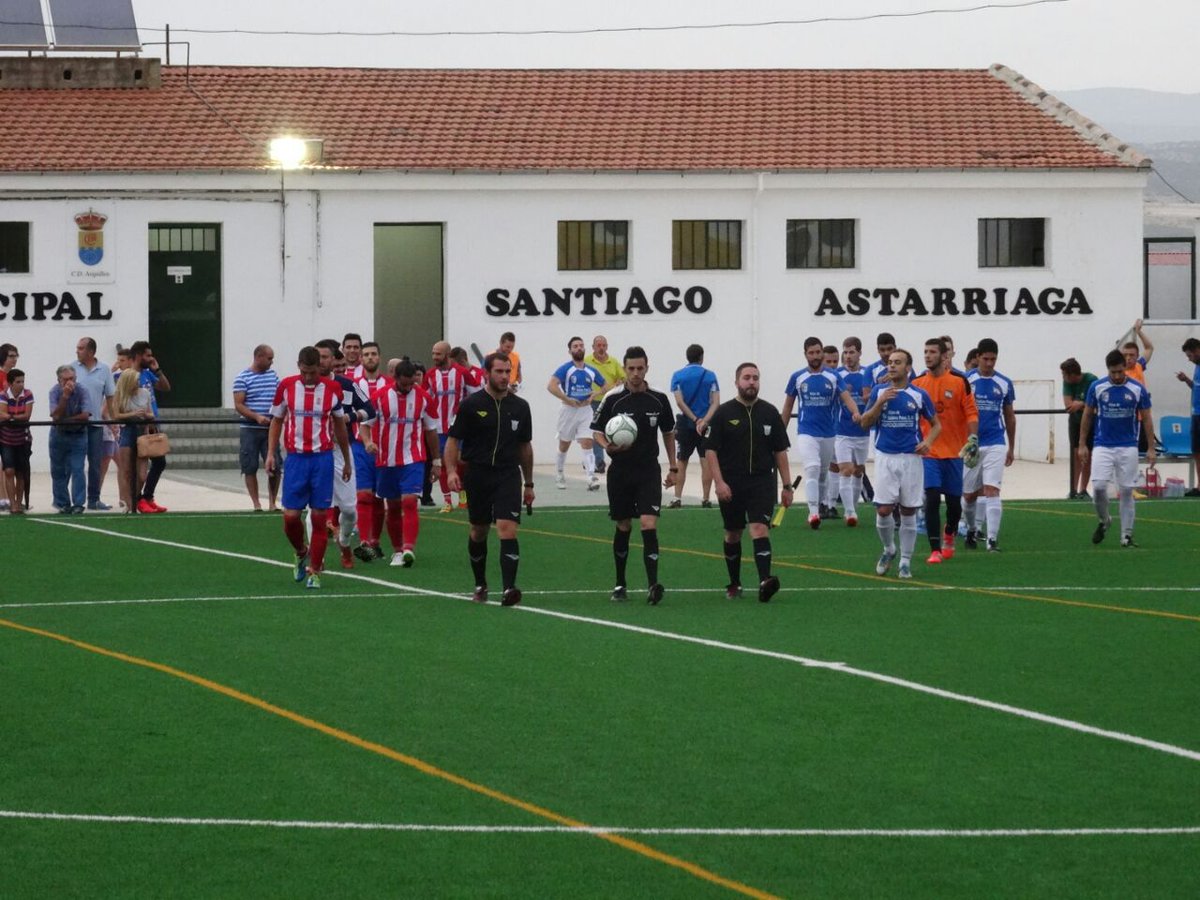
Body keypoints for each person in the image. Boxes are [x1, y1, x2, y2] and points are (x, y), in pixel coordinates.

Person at [444, 352, 534, 606]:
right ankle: (480, 583)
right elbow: (453, 440)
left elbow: (525, 447)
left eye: (508, 372)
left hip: (507, 474)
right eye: (500, 372)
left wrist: (528, 483)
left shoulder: (520, 407)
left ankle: (509, 589)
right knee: (479, 530)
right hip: (478, 474)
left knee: (507, 528)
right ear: (487, 373)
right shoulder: (472, 404)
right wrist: (451, 471)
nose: (505, 377)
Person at [591, 346, 677, 604]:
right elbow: (596, 430)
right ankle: (620, 584)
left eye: (640, 368)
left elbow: (669, 433)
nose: (636, 373)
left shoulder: (659, 399)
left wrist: (674, 467)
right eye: (631, 369)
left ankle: (653, 585)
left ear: (647, 368)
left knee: (649, 524)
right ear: (625, 369)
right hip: (621, 472)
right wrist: (608, 447)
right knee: (624, 525)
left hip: (649, 470)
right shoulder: (613, 398)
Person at [703, 362, 793, 602]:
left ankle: (765, 581)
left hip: (762, 482)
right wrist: (719, 483)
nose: (751, 382)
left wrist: (787, 485)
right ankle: (734, 583)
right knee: (733, 533)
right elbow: (710, 451)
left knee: (759, 528)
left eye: (755, 378)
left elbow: (780, 451)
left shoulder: (770, 412)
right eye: (746, 378)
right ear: (736, 382)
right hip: (731, 483)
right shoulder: (723, 413)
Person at [266, 346, 353, 589]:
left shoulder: (333, 389)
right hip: (295, 459)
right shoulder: (286, 386)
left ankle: (315, 570)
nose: (308, 377)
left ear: (320, 369)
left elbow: (339, 427)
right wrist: (271, 453)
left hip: (322, 459)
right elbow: (277, 420)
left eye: (313, 373)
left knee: (319, 517)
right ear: (298, 366)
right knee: (290, 517)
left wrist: (346, 460)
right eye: (304, 372)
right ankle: (300, 550)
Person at [859, 350, 941, 579]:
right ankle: (889, 549)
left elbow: (936, 424)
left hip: (911, 458)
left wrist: (927, 442)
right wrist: (879, 402)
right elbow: (865, 423)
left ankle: (905, 560)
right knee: (884, 509)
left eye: (897, 363)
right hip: (886, 457)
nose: (892, 366)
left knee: (908, 510)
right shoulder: (878, 391)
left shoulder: (918, 394)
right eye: (890, 363)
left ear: (908, 368)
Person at [780, 336, 860, 528]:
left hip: (829, 433)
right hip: (806, 431)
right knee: (812, 468)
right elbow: (788, 405)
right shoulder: (797, 377)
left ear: (822, 352)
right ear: (805, 354)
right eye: (811, 353)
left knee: (823, 473)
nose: (815, 356)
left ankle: (824, 505)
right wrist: (780, 434)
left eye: (818, 352)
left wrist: (856, 412)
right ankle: (813, 512)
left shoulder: (833, 377)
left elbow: (846, 397)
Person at [366, 359, 440, 566]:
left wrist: (437, 461)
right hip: (386, 460)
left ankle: (408, 548)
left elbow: (431, 430)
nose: (408, 388)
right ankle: (397, 550)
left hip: (413, 458)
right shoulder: (379, 398)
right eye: (404, 384)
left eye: (412, 384)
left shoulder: (424, 398)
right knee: (393, 504)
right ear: (395, 378)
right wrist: (368, 441)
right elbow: (365, 424)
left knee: (409, 501)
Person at [1078, 349, 1155, 547]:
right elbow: (1087, 415)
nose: (1117, 376)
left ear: (1125, 368)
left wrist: (1151, 448)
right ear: (1108, 370)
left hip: (1128, 445)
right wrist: (1082, 444)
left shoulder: (1137, 389)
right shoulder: (1097, 387)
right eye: (1113, 372)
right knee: (1099, 488)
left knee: (1127, 490)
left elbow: (1146, 418)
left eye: (1120, 371)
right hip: (1102, 444)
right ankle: (1105, 520)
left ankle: (1126, 536)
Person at [911, 337, 978, 563]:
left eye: (932, 352)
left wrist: (973, 438)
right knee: (931, 498)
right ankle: (935, 549)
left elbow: (971, 413)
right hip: (929, 452)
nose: (927, 356)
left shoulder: (959, 382)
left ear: (943, 356)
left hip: (954, 453)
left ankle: (949, 532)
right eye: (925, 351)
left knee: (953, 504)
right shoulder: (918, 383)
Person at [316, 339, 370, 569]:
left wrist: (352, 417)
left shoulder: (347, 385)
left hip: (341, 450)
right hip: (316, 451)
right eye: (316, 357)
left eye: (325, 357)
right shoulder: (303, 387)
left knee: (349, 510)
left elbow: (370, 409)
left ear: (334, 360)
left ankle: (345, 541)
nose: (321, 362)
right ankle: (316, 560)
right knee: (315, 510)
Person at [963, 339, 1016, 551]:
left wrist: (1011, 447)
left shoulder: (1004, 383)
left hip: (996, 441)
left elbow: (1009, 416)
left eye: (993, 359)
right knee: (968, 495)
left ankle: (992, 540)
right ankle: (971, 529)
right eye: (985, 359)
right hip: (972, 443)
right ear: (978, 358)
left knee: (992, 489)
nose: (989, 363)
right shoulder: (966, 380)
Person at [423, 340, 480, 511]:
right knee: (441, 462)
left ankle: (462, 495)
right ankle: (447, 502)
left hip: (460, 427)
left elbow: (477, 393)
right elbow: (425, 398)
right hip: (439, 427)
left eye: (438, 354)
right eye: (433, 353)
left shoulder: (462, 373)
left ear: (447, 354)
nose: (434, 357)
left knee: (462, 460)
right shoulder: (430, 375)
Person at [548, 336, 608, 491]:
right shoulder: (566, 369)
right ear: (570, 350)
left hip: (585, 411)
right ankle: (560, 474)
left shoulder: (590, 370)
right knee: (564, 444)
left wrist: (593, 396)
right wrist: (566, 399)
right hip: (568, 411)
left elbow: (605, 385)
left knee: (587, 442)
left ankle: (591, 476)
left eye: (581, 345)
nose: (579, 348)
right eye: (575, 346)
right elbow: (551, 386)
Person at [352, 341, 392, 558]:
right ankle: (364, 541)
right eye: (366, 354)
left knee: (379, 497)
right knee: (364, 495)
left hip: (385, 448)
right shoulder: (353, 386)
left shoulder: (390, 384)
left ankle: (375, 541)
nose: (369, 357)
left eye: (373, 354)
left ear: (379, 358)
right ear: (361, 359)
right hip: (360, 446)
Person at [669, 343, 720, 508]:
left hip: (686, 423)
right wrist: (704, 420)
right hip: (706, 424)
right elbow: (715, 402)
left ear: (687, 357)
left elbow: (679, 402)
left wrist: (694, 419)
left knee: (682, 460)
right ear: (701, 357)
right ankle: (705, 498)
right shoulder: (710, 376)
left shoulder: (678, 375)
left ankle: (677, 498)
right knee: (706, 459)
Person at [233, 344, 281, 512]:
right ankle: (256, 503)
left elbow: (280, 397)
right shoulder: (242, 378)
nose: (271, 362)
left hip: (270, 429)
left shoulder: (273, 376)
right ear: (259, 357)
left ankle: (272, 502)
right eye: (269, 358)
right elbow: (238, 405)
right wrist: (256, 416)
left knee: (275, 464)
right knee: (249, 465)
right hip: (250, 428)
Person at [71, 337, 116, 510]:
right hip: (76, 425)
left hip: (96, 425)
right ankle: (77, 501)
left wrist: (113, 421)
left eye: (81, 348)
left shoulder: (104, 370)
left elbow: (110, 397)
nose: (77, 351)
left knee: (96, 464)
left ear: (91, 351)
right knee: (76, 464)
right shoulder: (72, 368)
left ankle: (94, 499)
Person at [129, 340, 172, 513]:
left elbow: (165, 387)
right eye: (147, 355)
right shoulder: (130, 375)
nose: (150, 358)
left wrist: (157, 370)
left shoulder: (148, 373)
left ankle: (148, 496)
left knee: (159, 462)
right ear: (139, 355)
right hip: (140, 424)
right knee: (140, 466)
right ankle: (137, 499)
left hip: (153, 422)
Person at [834, 336, 872, 526]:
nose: (848, 356)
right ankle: (849, 512)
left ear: (859, 353)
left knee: (858, 471)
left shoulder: (868, 374)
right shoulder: (837, 374)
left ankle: (853, 507)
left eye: (852, 352)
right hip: (842, 431)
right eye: (846, 352)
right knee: (846, 470)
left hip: (863, 432)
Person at [49, 364, 90, 514]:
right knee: (58, 470)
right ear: (59, 380)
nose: (69, 383)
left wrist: (65, 419)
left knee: (78, 468)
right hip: (58, 434)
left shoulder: (82, 390)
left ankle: (78, 503)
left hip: (78, 434)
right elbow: (55, 416)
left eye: (72, 379)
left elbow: (85, 415)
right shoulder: (54, 392)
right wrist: (65, 397)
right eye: (65, 379)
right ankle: (62, 503)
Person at [112, 368, 154, 513]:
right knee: (126, 470)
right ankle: (128, 503)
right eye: (135, 380)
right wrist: (132, 414)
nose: (138, 382)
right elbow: (116, 415)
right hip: (127, 430)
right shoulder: (120, 395)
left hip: (142, 431)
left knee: (142, 474)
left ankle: (134, 497)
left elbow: (151, 413)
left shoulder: (145, 393)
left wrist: (147, 416)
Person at [585, 335, 625, 475]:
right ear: (593, 347)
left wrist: (619, 383)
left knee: (609, 431)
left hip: (609, 401)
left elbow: (624, 377)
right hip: (592, 402)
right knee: (595, 432)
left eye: (603, 345)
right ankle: (598, 461)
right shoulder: (586, 361)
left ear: (607, 347)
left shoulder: (613, 361)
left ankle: (595, 459)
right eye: (598, 345)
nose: (601, 348)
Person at [1061, 357, 1098, 499]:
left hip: (1091, 421)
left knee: (1087, 455)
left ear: (1072, 374)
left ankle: (1083, 489)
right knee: (1076, 455)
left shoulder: (1092, 380)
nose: (1063, 378)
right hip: (1075, 422)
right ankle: (1073, 489)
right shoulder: (1067, 383)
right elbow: (1069, 405)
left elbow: (1095, 403)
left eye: (1064, 375)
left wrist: (1081, 404)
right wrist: (1083, 404)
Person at [0, 367, 33, 515]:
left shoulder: (28, 394)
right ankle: (12, 503)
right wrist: (10, 417)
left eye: (23, 381)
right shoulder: (3, 395)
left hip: (22, 439)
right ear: (10, 383)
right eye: (18, 381)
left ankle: (19, 503)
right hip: (6, 438)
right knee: (9, 470)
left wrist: (11, 417)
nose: (21, 384)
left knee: (20, 472)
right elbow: (2, 414)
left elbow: (27, 415)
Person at [1177, 337, 1200, 496]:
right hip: (1196, 414)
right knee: (1196, 451)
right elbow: (1196, 388)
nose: (1189, 359)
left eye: (1190, 355)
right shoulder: (1197, 367)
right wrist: (1186, 380)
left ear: (1197, 351)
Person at [0, 344, 15, 511]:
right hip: (3, 421)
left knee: (7, 462)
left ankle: (6, 496)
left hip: (9, 423)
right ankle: (2, 496)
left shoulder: (12, 376)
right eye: (11, 355)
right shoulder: (2, 376)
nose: (14, 358)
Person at [1119, 318, 1155, 384]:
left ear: (1137, 356)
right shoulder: (1118, 372)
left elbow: (1149, 348)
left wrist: (1138, 331)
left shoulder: (1139, 365)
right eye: (1125, 355)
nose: (1128, 358)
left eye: (1131, 355)